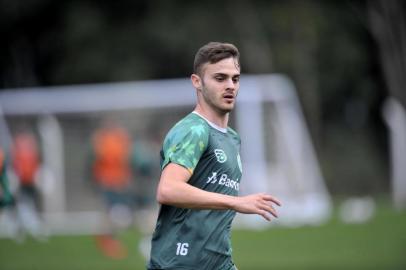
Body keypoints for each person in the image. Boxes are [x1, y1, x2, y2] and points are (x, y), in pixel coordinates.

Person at [147, 42, 281, 270]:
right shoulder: (194, 130)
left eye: (235, 79)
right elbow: (168, 189)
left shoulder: (231, 138)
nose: (230, 86)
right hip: (179, 264)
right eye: (220, 78)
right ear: (197, 82)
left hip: (220, 263)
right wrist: (236, 202)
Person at [89, 119, 134, 259]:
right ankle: (106, 241)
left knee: (114, 212)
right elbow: (100, 159)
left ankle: (110, 240)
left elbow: (124, 160)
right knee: (108, 212)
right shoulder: (102, 140)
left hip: (118, 181)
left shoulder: (120, 139)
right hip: (108, 180)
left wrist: (125, 177)